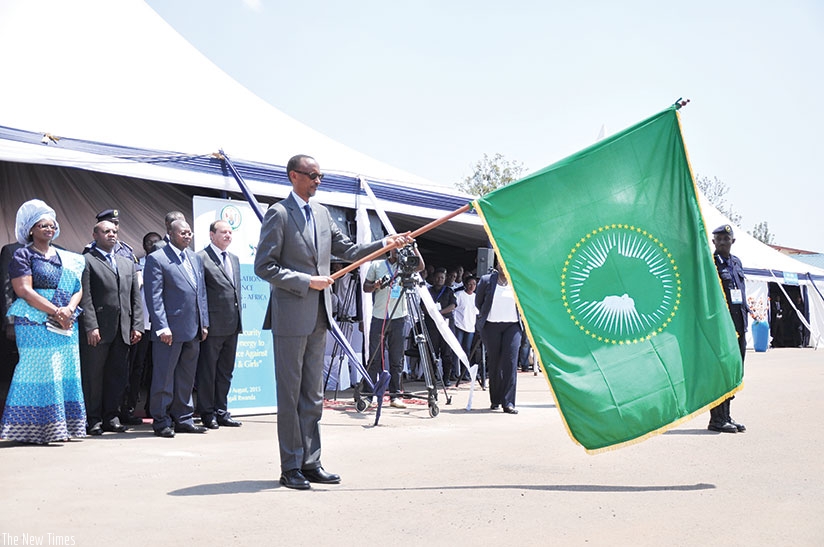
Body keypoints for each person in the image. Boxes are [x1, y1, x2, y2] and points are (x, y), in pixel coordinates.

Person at [254, 154, 411, 490]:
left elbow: (350, 250)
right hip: (292, 315)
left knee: (312, 394)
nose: (318, 180)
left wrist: (385, 244)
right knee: (290, 395)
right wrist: (305, 280)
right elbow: (264, 267)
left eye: (321, 175)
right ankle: (290, 465)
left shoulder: (323, 214)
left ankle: (312, 461)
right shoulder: (278, 214)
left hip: (320, 316)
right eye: (312, 175)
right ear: (294, 176)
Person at [0, 199, 87, 443]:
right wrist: (55, 311)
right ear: (31, 229)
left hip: (65, 318)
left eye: (51, 226)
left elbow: (77, 288)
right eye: (42, 226)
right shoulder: (22, 254)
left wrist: (68, 309)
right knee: (37, 370)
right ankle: (29, 428)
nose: (48, 230)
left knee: (65, 369)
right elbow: (24, 290)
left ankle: (62, 427)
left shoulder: (65, 256)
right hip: (33, 319)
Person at [144, 219, 209, 438]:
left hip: (193, 328)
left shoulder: (194, 258)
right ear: (170, 234)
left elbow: (200, 292)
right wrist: (162, 327)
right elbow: (154, 296)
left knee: (186, 377)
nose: (187, 236)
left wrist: (204, 322)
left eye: (190, 233)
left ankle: (183, 418)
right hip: (169, 330)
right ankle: (161, 420)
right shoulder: (157, 259)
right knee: (164, 377)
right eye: (183, 233)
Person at [79, 220, 143, 435]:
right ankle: (93, 418)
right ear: (95, 234)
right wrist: (90, 326)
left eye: (114, 231)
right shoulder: (87, 260)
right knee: (94, 376)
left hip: (123, 329)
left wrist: (137, 325)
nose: (112, 235)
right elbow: (85, 297)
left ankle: (111, 417)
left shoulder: (126, 262)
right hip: (98, 329)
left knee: (118, 375)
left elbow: (135, 298)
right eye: (106, 231)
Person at [362, 244, 425, 408]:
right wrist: (375, 285)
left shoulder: (405, 266)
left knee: (397, 358)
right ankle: (368, 395)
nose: (396, 251)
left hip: (399, 317)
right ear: (389, 249)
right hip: (379, 316)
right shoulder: (376, 265)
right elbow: (365, 287)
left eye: (399, 249)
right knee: (374, 358)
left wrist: (414, 248)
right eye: (394, 248)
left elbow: (421, 266)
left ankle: (395, 395)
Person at [195, 220, 243, 429]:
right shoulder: (201, 258)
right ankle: (207, 412)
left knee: (225, 371)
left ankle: (222, 411)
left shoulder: (234, 258)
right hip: (212, 326)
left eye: (230, 232)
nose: (228, 235)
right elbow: (200, 294)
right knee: (208, 371)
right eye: (223, 232)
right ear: (211, 235)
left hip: (232, 325)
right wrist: (203, 322)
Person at [708, 224, 747, 433]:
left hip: (739, 325)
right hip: (723, 329)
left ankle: (727, 415)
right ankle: (716, 419)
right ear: (713, 242)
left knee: (734, 372)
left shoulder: (736, 263)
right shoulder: (710, 264)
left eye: (726, 238)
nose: (722, 242)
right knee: (720, 372)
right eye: (718, 239)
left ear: (733, 241)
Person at [123, 231, 162, 423]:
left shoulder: (166, 263)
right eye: (149, 243)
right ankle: (130, 406)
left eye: (157, 242)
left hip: (160, 326)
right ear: (144, 245)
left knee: (157, 368)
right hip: (142, 325)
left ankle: (152, 407)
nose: (153, 245)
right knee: (136, 367)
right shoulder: (137, 264)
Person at [475, 264, 522, 414]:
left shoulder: (517, 281)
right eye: (501, 263)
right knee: (495, 363)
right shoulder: (486, 280)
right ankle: (495, 399)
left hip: (513, 326)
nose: (504, 266)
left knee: (510, 362)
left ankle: (508, 402)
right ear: (497, 265)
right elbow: (478, 302)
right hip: (491, 326)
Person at [422, 267, 457, 386]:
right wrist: (433, 314)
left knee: (447, 353)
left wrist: (440, 313)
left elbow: (453, 305)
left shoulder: (449, 291)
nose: (439, 279)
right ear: (433, 278)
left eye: (442, 278)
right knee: (432, 352)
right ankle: (433, 377)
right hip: (431, 325)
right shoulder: (427, 291)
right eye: (437, 277)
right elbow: (423, 306)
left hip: (445, 324)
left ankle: (446, 378)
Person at [452, 275, 478, 382]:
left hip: (470, 327)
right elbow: (453, 308)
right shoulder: (459, 295)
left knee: (467, 351)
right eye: (470, 284)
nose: (472, 286)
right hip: (459, 325)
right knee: (457, 350)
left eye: (474, 284)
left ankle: (465, 373)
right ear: (465, 285)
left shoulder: (476, 297)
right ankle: (454, 372)